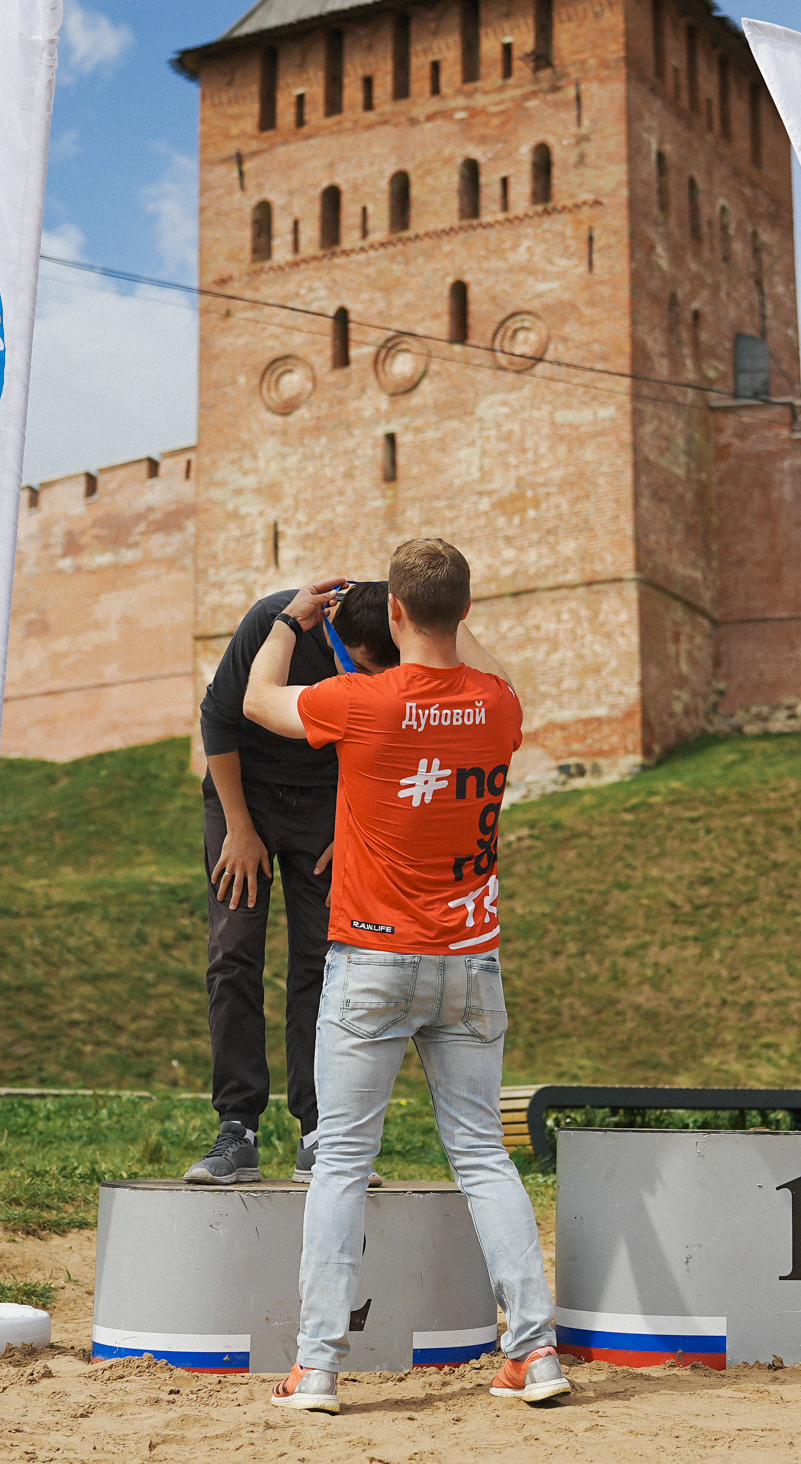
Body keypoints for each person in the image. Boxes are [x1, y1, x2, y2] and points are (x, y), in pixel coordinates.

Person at [242, 541, 568, 1415]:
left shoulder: (363, 701)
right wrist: (454, 619)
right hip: (470, 962)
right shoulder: (498, 707)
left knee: (342, 1163)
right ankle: (534, 1355)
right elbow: (491, 671)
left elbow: (255, 700)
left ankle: (316, 1370)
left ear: (390, 616)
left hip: (372, 959)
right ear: (463, 611)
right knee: (484, 1157)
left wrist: (289, 619)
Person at [186, 581, 400, 1186]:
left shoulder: (395, 643)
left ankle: (317, 1132)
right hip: (242, 794)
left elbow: (387, 744)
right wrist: (239, 829)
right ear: (332, 632)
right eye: (358, 666)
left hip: (327, 807)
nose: (367, 680)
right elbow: (219, 719)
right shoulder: (271, 623)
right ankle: (237, 1128)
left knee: (322, 961)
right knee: (232, 954)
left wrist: (353, 825)